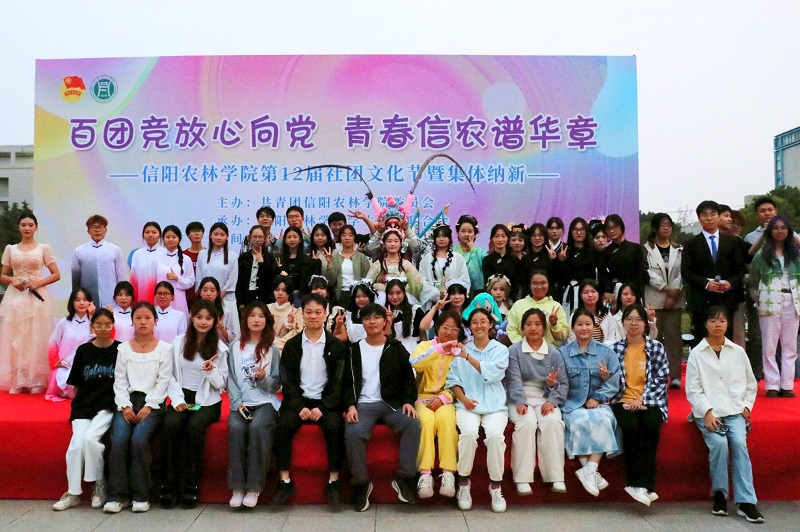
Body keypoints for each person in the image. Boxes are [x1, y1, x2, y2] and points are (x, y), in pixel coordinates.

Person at [685, 306, 763, 523]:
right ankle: (720, 494)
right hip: (708, 412)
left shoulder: (738, 352)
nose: (717, 325)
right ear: (705, 324)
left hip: (734, 411)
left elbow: (751, 383)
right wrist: (707, 412)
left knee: (739, 443)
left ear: (728, 324)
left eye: (722, 320)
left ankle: (746, 501)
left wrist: (747, 406)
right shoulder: (697, 354)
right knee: (719, 444)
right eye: (713, 320)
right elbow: (693, 389)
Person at [343, 303, 420, 512]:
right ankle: (361, 484)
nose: (372, 322)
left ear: (385, 321)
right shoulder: (353, 350)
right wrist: (350, 405)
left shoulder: (395, 348)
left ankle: (405, 479)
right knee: (353, 432)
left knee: (412, 424)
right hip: (363, 404)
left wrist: (408, 401)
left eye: (376, 317)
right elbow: (346, 382)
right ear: (362, 322)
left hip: (391, 403)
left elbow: (408, 380)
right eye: (367, 318)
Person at [272, 294, 347, 506]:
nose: (313, 316)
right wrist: (298, 406)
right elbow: (287, 380)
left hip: (325, 402)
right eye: (308, 312)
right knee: (283, 427)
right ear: (302, 315)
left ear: (325, 314)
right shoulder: (292, 345)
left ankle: (334, 481)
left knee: (335, 427)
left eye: (318, 312)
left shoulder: (336, 346)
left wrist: (323, 407)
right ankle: (284, 480)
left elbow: (339, 383)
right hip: (298, 400)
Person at [104, 302, 172, 513]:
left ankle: (141, 495)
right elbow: (119, 381)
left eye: (147, 318)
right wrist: (125, 405)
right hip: (127, 402)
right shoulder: (123, 348)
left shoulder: (165, 349)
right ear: (132, 321)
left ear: (155, 321)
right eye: (138, 318)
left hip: (153, 404)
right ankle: (117, 496)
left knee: (139, 439)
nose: (143, 322)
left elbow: (163, 381)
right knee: (119, 439)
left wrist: (149, 406)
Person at [160, 300, 228, 509]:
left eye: (208, 318)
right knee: (170, 425)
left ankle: (192, 485)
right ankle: (168, 485)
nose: (203, 322)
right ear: (191, 318)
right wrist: (178, 400)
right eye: (199, 317)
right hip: (181, 396)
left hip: (208, 401)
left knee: (194, 427)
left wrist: (211, 370)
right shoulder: (178, 342)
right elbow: (168, 375)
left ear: (215, 321)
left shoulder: (220, 348)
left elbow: (222, 384)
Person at [52, 309, 120, 511]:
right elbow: (76, 383)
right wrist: (79, 404)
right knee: (76, 445)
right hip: (83, 406)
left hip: (107, 406)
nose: (103, 329)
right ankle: (73, 492)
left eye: (107, 325)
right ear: (92, 327)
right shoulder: (83, 350)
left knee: (91, 439)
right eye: (98, 325)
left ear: (112, 326)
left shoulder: (120, 350)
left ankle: (99, 485)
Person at [447, 307, 509, 513]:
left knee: (495, 437)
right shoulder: (461, 350)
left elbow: (492, 374)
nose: (479, 325)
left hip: (495, 406)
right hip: (468, 406)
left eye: (483, 321)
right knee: (468, 434)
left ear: (490, 324)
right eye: (474, 322)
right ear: (470, 327)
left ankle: (496, 487)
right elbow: (453, 380)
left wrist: (468, 357)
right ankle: (464, 484)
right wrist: (463, 399)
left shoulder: (500, 350)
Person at [504, 308, 568, 495]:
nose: (533, 328)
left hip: (545, 397)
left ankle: (555, 477)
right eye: (529, 324)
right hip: (518, 398)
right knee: (527, 423)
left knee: (553, 422)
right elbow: (513, 380)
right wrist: (520, 401)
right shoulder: (514, 351)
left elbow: (563, 383)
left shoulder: (554, 353)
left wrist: (553, 400)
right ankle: (522, 479)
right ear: (522, 328)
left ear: (544, 328)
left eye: (538, 324)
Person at [610, 304, 669, 506]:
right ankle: (634, 483)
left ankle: (648, 485)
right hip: (623, 400)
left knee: (651, 427)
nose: (633, 323)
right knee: (631, 428)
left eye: (638, 319)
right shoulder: (615, 349)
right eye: (629, 319)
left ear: (645, 323)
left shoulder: (656, 348)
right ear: (623, 322)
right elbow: (612, 382)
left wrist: (642, 399)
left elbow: (661, 379)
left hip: (650, 400)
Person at [559, 308, 620, 497]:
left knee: (604, 419)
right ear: (573, 327)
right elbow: (560, 382)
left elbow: (614, 381)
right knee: (578, 421)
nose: (584, 328)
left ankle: (589, 469)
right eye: (579, 324)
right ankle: (591, 471)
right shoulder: (563, 353)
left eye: (588, 324)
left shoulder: (606, 352)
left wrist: (598, 396)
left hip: (598, 403)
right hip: (571, 403)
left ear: (594, 327)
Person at [227, 301, 281, 509]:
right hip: (241, 403)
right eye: (252, 315)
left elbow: (275, 385)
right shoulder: (235, 347)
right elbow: (231, 378)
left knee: (258, 428)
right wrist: (237, 402)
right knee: (236, 428)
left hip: (265, 402)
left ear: (266, 320)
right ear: (245, 319)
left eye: (260, 316)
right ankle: (237, 487)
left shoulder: (272, 349)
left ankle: (253, 487)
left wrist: (262, 378)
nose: (256, 320)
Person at [0, 211, 60, 393]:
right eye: (23, 225)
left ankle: (36, 380)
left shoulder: (43, 248)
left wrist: (38, 282)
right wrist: (13, 280)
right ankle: (17, 380)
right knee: (16, 335)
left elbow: (56, 274)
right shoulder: (11, 249)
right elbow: (3, 275)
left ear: (36, 227)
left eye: (30, 225)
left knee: (35, 335)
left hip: (37, 297)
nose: (27, 228)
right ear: (19, 227)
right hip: (15, 298)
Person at [409, 309, 462, 499]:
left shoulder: (459, 352)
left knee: (447, 420)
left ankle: (448, 472)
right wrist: (439, 349)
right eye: (445, 328)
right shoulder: (425, 346)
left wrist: (444, 398)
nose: (449, 332)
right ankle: (425, 473)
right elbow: (415, 363)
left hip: (446, 398)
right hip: (422, 396)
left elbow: (462, 380)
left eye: (454, 329)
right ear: (437, 328)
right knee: (425, 421)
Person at [681, 201, 745, 346]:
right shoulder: (691, 244)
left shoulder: (732, 242)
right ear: (699, 218)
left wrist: (730, 283)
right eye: (705, 215)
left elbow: (740, 269)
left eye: (713, 214)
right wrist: (706, 284)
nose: (709, 218)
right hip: (702, 301)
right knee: (701, 341)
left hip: (727, 300)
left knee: (726, 342)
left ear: (718, 216)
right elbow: (686, 272)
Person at [749, 216, 800, 397]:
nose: (780, 231)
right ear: (769, 231)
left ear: (789, 231)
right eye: (776, 228)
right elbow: (753, 281)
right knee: (769, 346)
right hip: (769, 301)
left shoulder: (796, 255)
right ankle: (772, 385)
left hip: (792, 300)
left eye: (783, 228)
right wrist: (759, 299)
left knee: (789, 346)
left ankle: (787, 385)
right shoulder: (762, 255)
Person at [644, 213, 685, 388]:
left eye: (669, 224)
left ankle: (674, 376)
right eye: (663, 225)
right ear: (654, 228)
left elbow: (682, 272)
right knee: (654, 337)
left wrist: (674, 294)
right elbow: (647, 273)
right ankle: (654, 374)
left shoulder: (679, 249)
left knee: (674, 337)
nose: (666, 227)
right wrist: (666, 289)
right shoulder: (646, 249)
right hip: (654, 298)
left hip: (675, 299)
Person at [46, 287, 96, 401]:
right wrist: (55, 362)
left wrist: (92, 318)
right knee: (67, 381)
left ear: (90, 303)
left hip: (86, 366)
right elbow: (53, 343)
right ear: (72, 303)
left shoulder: (94, 322)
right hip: (66, 366)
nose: (81, 303)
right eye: (77, 300)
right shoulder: (64, 323)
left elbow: (95, 343)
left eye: (85, 300)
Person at [195, 222, 239, 338]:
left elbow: (232, 278)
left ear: (227, 237)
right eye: (216, 234)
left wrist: (218, 295)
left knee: (228, 331)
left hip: (226, 298)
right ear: (210, 235)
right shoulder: (202, 254)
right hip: (206, 298)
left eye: (222, 235)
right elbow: (199, 277)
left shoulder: (232, 255)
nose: (219, 237)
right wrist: (206, 294)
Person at [71, 214, 125, 308]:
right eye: (93, 227)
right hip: (87, 302)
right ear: (88, 231)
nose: (97, 230)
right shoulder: (79, 251)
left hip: (110, 300)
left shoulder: (115, 250)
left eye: (100, 227)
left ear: (105, 230)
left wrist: (120, 298)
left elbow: (120, 276)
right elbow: (75, 280)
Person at [506, 270, 569, 347]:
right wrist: (524, 346)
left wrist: (554, 324)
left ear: (548, 284)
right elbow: (511, 330)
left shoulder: (556, 306)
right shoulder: (518, 305)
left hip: (549, 352)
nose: (539, 287)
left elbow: (563, 336)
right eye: (535, 283)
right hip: (522, 351)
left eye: (543, 283)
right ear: (530, 285)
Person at [600, 214, 648, 307]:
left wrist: (633, 291)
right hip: (614, 294)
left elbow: (641, 272)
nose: (611, 231)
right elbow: (603, 275)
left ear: (621, 227)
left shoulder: (636, 248)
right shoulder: (605, 252)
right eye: (608, 228)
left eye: (614, 227)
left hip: (633, 293)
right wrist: (606, 291)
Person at [418, 224, 470, 308]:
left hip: (453, 299)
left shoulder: (458, 258)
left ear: (449, 239)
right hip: (432, 302)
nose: (441, 239)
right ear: (434, 239)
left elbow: (464, 280)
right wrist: (436, 293)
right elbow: (421, 281)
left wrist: (451, 292)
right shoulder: (427, 258)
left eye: (444, 236)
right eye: (438, 236)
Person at [367, 229, 425, 302]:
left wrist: (402, 289)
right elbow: (368, 284)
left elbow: (417, 285)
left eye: (396, 241)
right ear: (384, 244)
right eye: (389, 241)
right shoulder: (378, 264)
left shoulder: (406, 265)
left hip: (404, 300)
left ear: (400, 244)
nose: (393, 244)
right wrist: (378, 286)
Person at [558, 217, 599, 315]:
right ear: (571, 232)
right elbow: (562, 277)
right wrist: (562, 261)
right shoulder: (565, 251)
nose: (578, 232)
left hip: (589, 293)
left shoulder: (594, 252)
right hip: (571, 293)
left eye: (581, 229)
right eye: (575, 229)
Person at [324, 224, 371, 308]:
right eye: (344, 235)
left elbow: (366, 278)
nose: (347, 238)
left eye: (350, 235)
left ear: (354, 238)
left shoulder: (361, 257)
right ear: (340, 238)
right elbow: (330, 281)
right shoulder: (334, 257)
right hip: (340, 295)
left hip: (357, 295)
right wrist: (330, 263)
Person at [154, 225, 195, 318]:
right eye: (168, 237)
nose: (171, 240)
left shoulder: (186, 259)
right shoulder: (157, 258)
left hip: (179, 298)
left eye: (174, 237)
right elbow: (153, 280)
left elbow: (191, 281)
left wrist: (177, 278)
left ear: (179, 239)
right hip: (161, 297)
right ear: (163, 239)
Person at [568, 279, 623, 346]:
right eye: (586, 292)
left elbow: (612, 339)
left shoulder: (606, 314)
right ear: (580, 296)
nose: (590, 295)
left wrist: (599, 349)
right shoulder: (575, 316)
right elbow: (571, 340)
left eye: (593, 291)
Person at [236, 225, 279, 310]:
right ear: (250, 238)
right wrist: (240, 301)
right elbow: (239, 280)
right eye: (254, 237)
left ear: (264, 239)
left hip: (265, 299)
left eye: (260, 237)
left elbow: (272, 280)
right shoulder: (243, 257)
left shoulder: (270, 258)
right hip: (247, 298)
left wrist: (261, 263)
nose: (257, 239)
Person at [278, 226, 321, 303]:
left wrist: (316, 263)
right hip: (283, 297)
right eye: (289, 237)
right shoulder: (280, 260)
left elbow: (314, 282)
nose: (292, 240)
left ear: (300, 240)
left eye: (295, 237)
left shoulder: (308, 260)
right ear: (285, 240)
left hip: (302, 298)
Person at [482, 224, 522, 301]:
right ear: (492, 239)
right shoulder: (487, 260)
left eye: (503, 236)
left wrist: (508, 299)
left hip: (511, 300)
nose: (500, 240)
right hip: (491, 301)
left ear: (508, 238)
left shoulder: (515, 260)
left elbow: (516, 284)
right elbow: (487, 284)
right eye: (496, 236)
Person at [385, 278, 424, 355]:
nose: (395, 297)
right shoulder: (383, 312)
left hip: (414, 350)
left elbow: (422, 333)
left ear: (404, 293)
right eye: (391, 293)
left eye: (398, 293)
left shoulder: (415, 310)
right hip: (392, 351)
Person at [453, 215, 487, 298]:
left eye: (470, 231)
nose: (466, 234)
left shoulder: (481, 252)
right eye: (463, 231)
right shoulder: (452, 251)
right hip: (456, 293)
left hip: (477, 293)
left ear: (475, 234)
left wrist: (473, 249)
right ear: (457, 233)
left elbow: (486, 269)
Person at [268, 275, 304, 352]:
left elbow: (295, 336)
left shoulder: (296, 312)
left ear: (290, 292)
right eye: (277, 290)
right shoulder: (267, 308)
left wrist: (291, 323)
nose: (280, 293)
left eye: (284, 290)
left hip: (285, 349)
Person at [198, 276, 237, 344]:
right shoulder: (194, 312)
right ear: (200, 292)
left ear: (217, 293)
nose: (208, 294)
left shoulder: (225, 312)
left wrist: (222, 329)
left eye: (212, 290)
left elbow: (232, 338)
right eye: (205, 290)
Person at [129, 221, 161, 304]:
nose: (150, 235)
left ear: (159, 235)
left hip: (160, 296)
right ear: (143, 235)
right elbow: (133, 278)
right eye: (147, 232)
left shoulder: (165, 253)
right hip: (141, 295)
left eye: (154, 232)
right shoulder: (137, 254)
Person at [521, 223, 554, 297]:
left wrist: (554, 260)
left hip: (548, 296)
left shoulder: (551, 256)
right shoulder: (525, 259)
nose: (537, 238)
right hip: (529, 297)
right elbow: (523, 282)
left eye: (540, 235)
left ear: (545, 237)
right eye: (534, 235)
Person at [183, 221, 205, 310]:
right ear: (188, 235)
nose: (196, 233)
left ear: (203, 234)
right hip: (186, 297)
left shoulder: (208, 254)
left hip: (204, 297)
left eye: (199, 231)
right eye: (193, 231)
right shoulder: (183, 255)